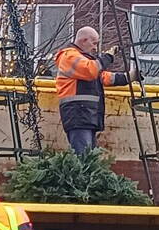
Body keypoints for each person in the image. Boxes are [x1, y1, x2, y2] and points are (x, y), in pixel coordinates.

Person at [54, 26, 139, 154]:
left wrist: (130, 76)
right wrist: (107, 57)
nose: (95, 48)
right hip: (78, 114)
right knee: (83, 158)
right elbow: (91, 71)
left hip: (84, 115)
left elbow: (105, 77)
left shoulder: (83, 60)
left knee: (87, 156)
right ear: (84, 40)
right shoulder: (69, 56)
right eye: (94, 43)